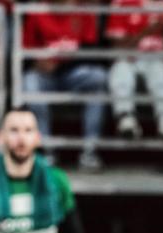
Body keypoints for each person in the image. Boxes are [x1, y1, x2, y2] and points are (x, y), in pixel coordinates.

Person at [22, 0, 108, 171]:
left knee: (99, 78)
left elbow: (93, 52)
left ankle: (90, 152)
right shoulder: (36, 11)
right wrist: (35, 62)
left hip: (73, 74)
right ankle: (46, 151)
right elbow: (24, 53)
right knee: (29, 82)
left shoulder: (83, 11)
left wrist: (60, 63)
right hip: (45, 76)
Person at [105, 0, 163, 140]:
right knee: (121, 67)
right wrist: (146, 31)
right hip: (132, 63)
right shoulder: (122, 3)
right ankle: (126, 118)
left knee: (159, 69)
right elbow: (117, 49)